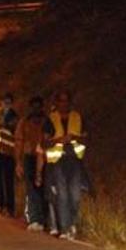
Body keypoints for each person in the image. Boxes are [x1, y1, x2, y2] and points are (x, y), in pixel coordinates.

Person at [43, 91, 89, 240]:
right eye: (61, 101)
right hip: (58, 161)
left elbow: (87, 140)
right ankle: (64, 228)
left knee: (75, 196)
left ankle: (73, 223)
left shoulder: (78, 117)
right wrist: (58, 140)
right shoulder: (50, 119)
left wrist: (74, 137)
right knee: (62, 195)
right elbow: (44, 143)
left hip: (74, 160)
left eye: (67, 101)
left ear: (70, 102)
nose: (64, 104)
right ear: (56, 103)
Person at [15, 96, 49, 232]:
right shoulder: (24, 122)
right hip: (29, 157)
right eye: (33, 106)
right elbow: (18, 142)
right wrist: (18, 162)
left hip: (45, 157)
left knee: (44, 188)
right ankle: (35, 219)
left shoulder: (47, 121)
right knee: (32, 188)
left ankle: (45, 219)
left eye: (38, 106)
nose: (36, 109)